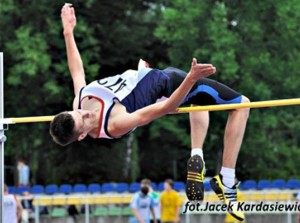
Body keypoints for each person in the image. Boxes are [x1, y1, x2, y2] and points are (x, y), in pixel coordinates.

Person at [50, 4, 250, 221]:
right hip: (168, 86)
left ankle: (197, 155)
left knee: (198, 103)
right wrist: (190, 79)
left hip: (157, 80)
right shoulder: (114, 124)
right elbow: (166, 108)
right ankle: (227, 180)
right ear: (82, 136)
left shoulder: (79, 100)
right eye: (84, 120)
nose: (85, 113)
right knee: (242, 105)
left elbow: (76, 70)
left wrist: (68, 33)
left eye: (79, 113)